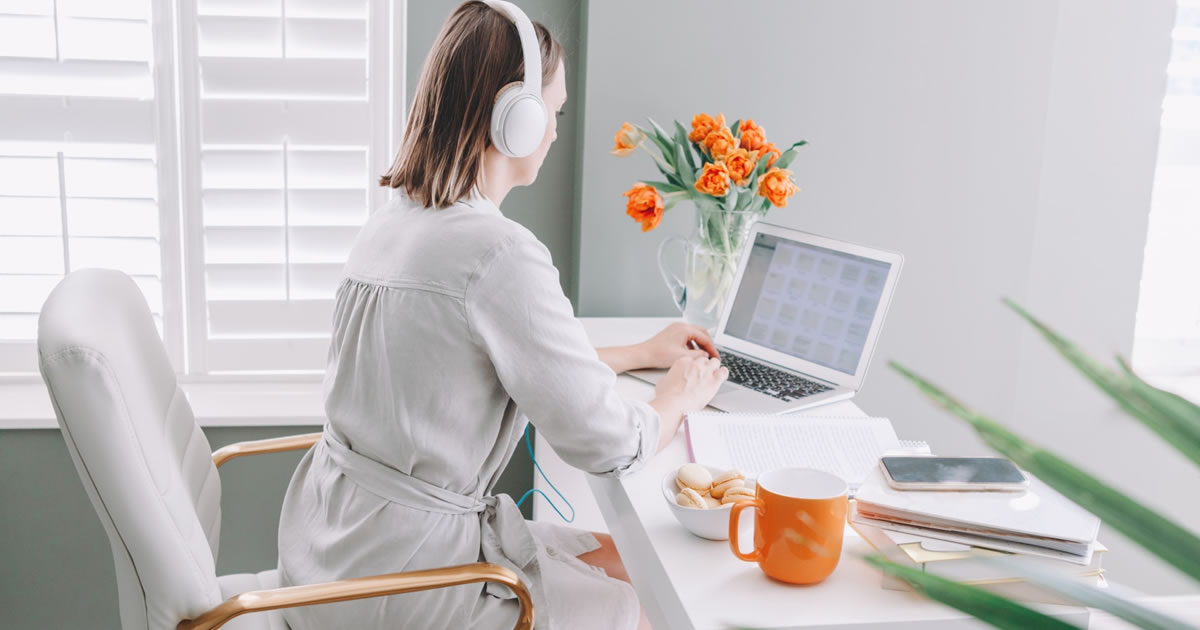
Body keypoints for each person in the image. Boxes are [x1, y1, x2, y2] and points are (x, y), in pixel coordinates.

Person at [275, 2, 728, 628]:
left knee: (634, 560)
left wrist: (636, 355)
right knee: (647, 595)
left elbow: (480, 367)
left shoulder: (390, 226)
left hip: (331, 552)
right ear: (513, 119)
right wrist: (678, 396)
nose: (555, 131)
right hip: (409, 582)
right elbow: (610, 444)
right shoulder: (496, 254)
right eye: (554, 113)